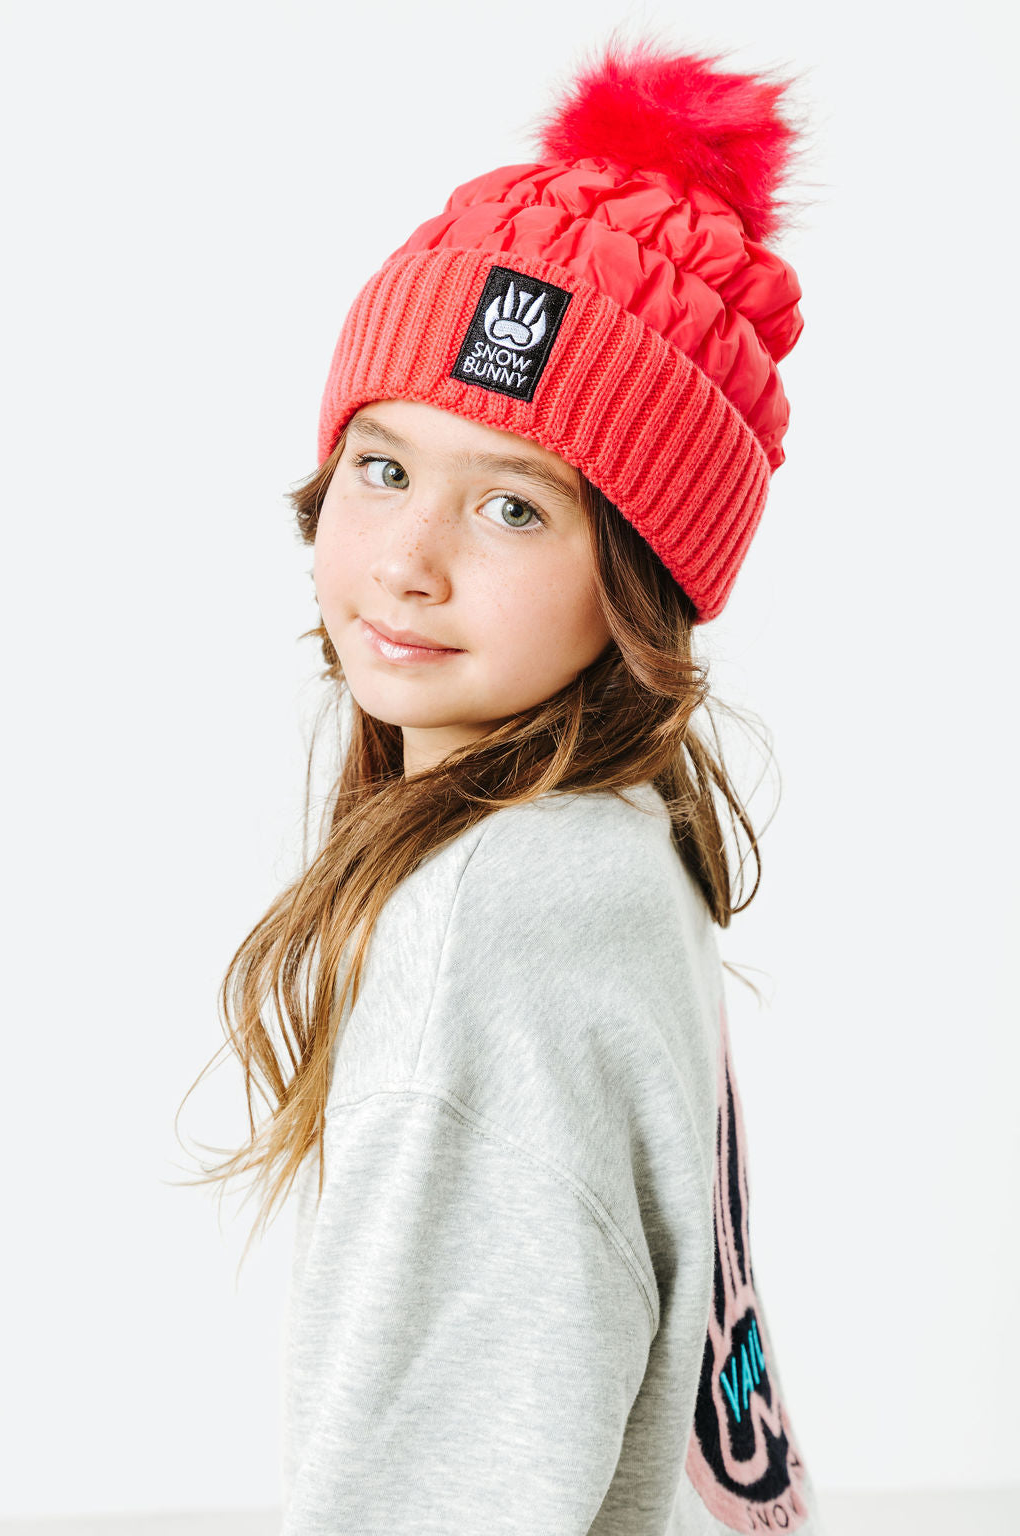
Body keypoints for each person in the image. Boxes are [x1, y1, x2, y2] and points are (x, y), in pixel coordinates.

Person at [184, 29, 827, 1535]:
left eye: (516, 506)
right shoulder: (608, 846)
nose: (408, 562)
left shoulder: (496, 912)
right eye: (387, 467)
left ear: (639, 583)